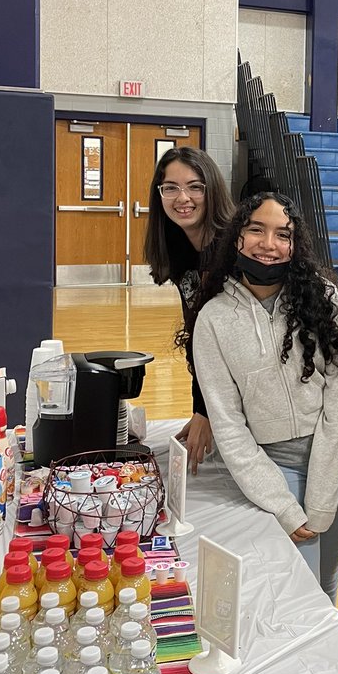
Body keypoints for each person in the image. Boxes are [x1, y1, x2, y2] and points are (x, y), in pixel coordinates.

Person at [187, 192, 338, 602]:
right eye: (257, 230)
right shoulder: (212, 318)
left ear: (294, 244)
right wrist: (281, 503)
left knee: (326, 576)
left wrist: (321, 496)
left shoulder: (323, 298)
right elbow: (228, 424)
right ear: (237, 237)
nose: (269, 244)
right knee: (296, 587)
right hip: (275, 463)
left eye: (283, 234)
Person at [145, 146, 234, 473]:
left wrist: (207, 412)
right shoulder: (181, 250)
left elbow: (230, 346)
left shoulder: (234, 247)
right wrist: (202, 410)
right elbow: (200, 340)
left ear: (212, 190)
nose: (183, 198)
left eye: (195, 186)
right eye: (171, 188)